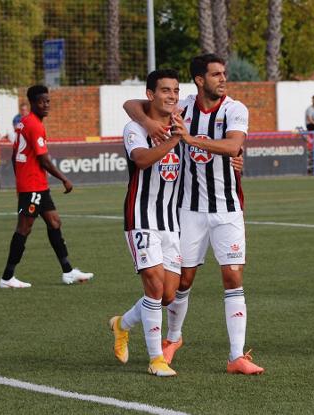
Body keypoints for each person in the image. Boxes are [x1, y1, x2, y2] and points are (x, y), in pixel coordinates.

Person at [123, 53, 264, 375]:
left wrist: (187, 138)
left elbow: (233, 147)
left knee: (233, 275)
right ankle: (173, 338)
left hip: (228, 208)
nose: (223, 79)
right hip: (188, 210)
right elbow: (133, 104)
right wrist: (148, 123)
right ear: (200, 80)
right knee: (180, 283)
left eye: (223, 73)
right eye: (215, 74)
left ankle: (236, 356)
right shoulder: (182, 106)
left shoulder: (234, 109)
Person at [109, 69, 184, 377]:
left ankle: (121, 324)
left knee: (167, 295)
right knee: (153, 284)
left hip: (171, 221)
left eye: (176, 91)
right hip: (141, 217)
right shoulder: (134, 128)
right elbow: (141, 159)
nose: (172, 96)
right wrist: (173, 139)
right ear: (150, 94)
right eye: (165, 90)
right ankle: (156, 359)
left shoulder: (181, 124)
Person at [0, 85, 93, 288]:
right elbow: (44, 160)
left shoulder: (23, 123)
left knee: (54, 222)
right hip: (32, 186)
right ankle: (7, 277)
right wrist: (64, 179)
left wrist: (20, 180)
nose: (47, 105)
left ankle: (68, 271)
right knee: (24, 228)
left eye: (48, 101)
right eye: (42, 101)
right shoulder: (34, 125)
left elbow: (15, 156)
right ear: (32, 103)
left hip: (36, 185)